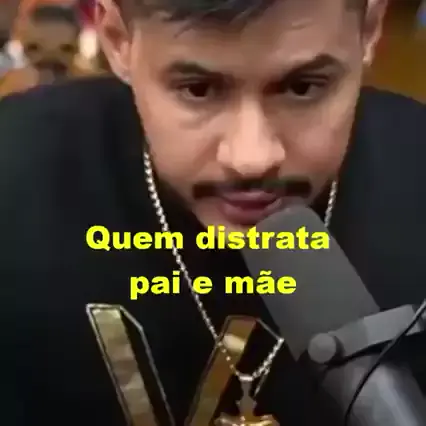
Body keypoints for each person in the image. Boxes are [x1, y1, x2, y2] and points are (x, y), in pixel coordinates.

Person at [1, 0, 426, 425]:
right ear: (118, 39)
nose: (251, 158)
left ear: (369, 28)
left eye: (302, 87)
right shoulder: (16, 173)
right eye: (198, 89)